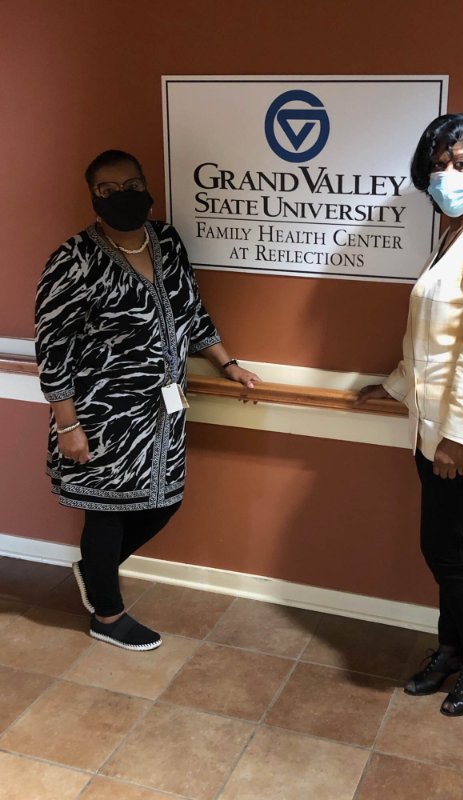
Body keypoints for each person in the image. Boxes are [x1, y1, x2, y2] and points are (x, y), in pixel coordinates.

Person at [35, 150, 260, 652]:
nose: (122, 195)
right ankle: (108, 616)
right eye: (108, 190)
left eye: (131, 184)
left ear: (145, 183)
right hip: (100, 414)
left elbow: (192, 310)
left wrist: (228, 363)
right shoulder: (72, 259)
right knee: (106, 512)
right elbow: (52, 350)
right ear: (93, 196)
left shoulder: (166, 240)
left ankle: (96, 571)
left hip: (161, 414)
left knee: (164, 501)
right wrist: (68, 425)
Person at [356, 114, 463, 716]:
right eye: (438, 164)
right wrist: (394, 387)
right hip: (431, 426)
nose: (447, 175)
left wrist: (455, 440)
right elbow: (434, 341)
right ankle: (451, 647)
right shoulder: (455, 231)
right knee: (454, 545)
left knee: (441, 548)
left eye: (461, 163)